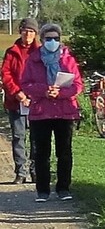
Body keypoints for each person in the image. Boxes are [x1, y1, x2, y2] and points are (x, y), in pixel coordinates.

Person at [21, 23, 83, 202]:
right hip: (41, 112)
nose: (53, 42)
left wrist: (60, 93)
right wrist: (44, 91)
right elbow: (26, 84)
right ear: (42, 40)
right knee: (41, 153)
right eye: (49, 39)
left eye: (56, 38)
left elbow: (77, 85)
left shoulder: (68, 60)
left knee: (64, 152)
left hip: (65, 112)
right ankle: (43, 190)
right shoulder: (33, 60)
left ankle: (63, 188)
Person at [2, 18, 40, 184]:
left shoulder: (40, 52)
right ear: (20, 31)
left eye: (31, 31)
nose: (28, 34)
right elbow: (6, 75)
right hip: (16, 101)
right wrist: (18, 94)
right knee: (18, 136)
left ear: (35, 34)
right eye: (25, 30)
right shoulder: (12, 52)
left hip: (36, 102)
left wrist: (34, 94)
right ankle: (21, 172)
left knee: (37, 138)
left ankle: (36, 171)